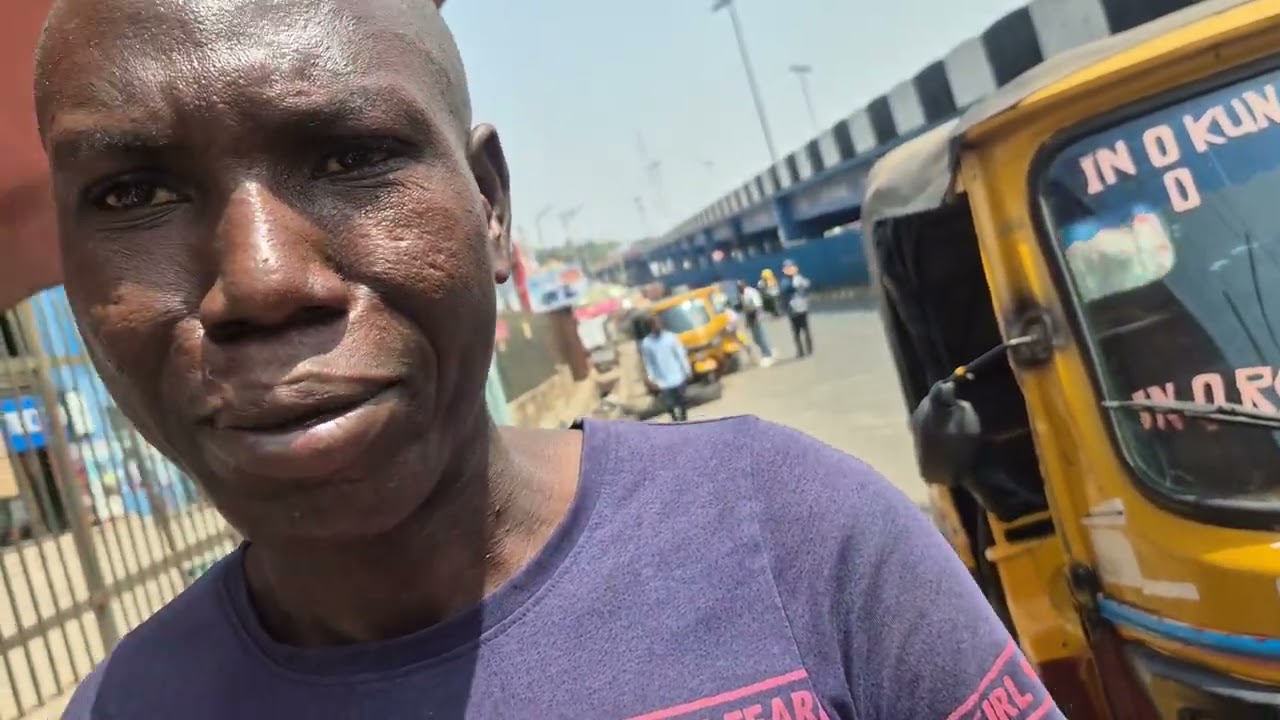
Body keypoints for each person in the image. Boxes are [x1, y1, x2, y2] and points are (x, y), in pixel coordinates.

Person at [41, 0, 1064, 718]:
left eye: (350, 156)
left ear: (490, 205)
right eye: (133, 194)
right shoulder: (127, 707)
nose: (261, 282)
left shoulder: (792, 540)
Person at [639, 315, 692, 421]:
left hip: (678, 376)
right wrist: (652, 378)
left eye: (657, 324)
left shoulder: (671, 337)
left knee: (681, 402)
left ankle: (684, 421)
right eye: (653, 325)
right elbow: (649, 363)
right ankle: (675, 420)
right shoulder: (647, 343)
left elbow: (681, 355)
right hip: (663, 380)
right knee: (669, 405)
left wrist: (687, 370)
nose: (656, 326)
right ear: (649, 327)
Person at [737, 279, 774, 367]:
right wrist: (747, 321)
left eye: (740, 287)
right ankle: (767, 350)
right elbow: (745, 308)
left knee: (761, 335)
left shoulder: (751, 292)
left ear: (744, 285)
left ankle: (767, 354)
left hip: (756, 314)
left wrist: (758, 317)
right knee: (755, 338)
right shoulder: (741, 294)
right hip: (750, 316)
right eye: (738, 287)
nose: (739, 289)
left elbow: (758, 306)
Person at [781, 259, 814, 358]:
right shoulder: (785, 281)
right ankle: (801, 351)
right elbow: (784, 291)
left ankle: (809, 349)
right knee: (797, 332)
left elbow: (807, 286)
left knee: (805, 330)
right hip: (792, 310)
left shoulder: (799, 278)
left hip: (801, 308)